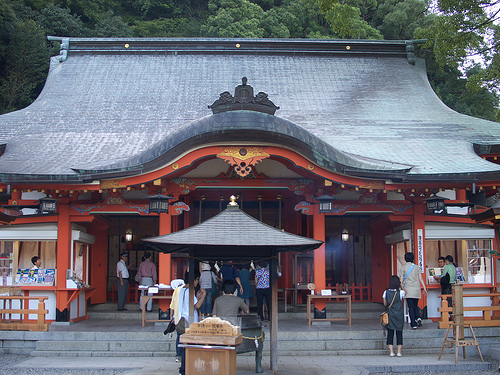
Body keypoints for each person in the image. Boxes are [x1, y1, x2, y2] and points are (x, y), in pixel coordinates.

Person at [170, 270, 206, 375]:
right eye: (197, 280)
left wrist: (197, 297)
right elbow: (197, 306)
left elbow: (190, 303)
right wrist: (204, 295)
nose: (197, 282)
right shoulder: (190, 291)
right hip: (189, 322)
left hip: (182, 320)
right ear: (193, 280)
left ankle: (183, 369)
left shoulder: (181, 290)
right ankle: (186, 369)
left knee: (185, 347)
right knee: (189, 347)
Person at [399, 252, 427, 329]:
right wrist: (424, 287)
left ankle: (413, 324)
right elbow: (420, 278)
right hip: (416, 289)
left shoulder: (403, 268)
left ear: (405, 259)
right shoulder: (417, 267)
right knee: (415, 305)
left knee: (410, 307)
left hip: (408, 289)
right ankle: (418, 317)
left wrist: (401, 288)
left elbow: (401, 280)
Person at [383, 275, 406, 357]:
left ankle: (391, 352)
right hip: (399, 314)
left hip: (391, 314)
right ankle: (399, 352)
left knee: (390, 332)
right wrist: (401, 285)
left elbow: (385, 304)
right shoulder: (400, 293)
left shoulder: (386, 292)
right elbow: (406, 292)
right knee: (399, 332)